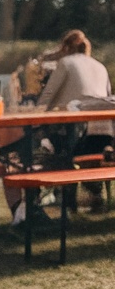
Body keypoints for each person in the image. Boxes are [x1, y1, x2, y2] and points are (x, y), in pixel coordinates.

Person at [37, 29, 113, 212]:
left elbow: (49, 93)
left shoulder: (65, 63)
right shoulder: (100, 66)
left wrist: (36, 113)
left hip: (76, 128)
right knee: (80, 152)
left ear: (66, 47)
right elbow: (108, 95)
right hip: (103, 130)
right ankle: (95, 196)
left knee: (51, 148)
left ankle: (65, 198)